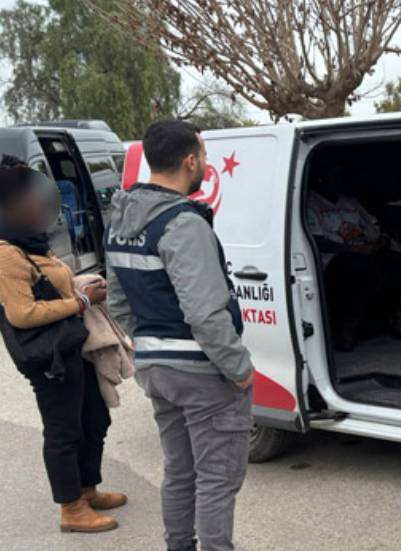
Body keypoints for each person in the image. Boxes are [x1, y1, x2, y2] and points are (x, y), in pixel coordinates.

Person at [105, 120, 253, 551]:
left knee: (180, 472)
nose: (205, 163)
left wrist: (151, 346)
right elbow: (205, 313)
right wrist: (239, 369)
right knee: (217, 479)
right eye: (203, 156)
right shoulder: (182, 223)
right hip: (202, 373)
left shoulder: (121, 219)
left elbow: (117, 302)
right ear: (190, 161)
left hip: (157, 369)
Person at [0, 155, 125, 533]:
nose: (39, 203)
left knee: (94, 418)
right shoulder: (5, 252)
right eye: (30, 197)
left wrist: (80, 286)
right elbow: (22, 313)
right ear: (11, 205)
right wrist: (81, 302)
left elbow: (52, 285)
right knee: (63, 430)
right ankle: (71, 507)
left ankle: (88, 489)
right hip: (49, 355)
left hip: (72, 343)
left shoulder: (32, 242)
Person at [307, 162, 401, 351]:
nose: (336, 180)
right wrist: (355, 250)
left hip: (365, 250)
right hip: (334, 258)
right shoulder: (313, 203)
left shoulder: (350, 202)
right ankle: (346, 330)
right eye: (331, 175)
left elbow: (372, 225)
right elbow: (319, 241)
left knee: (399, 263)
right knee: (364, 273)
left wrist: (379, 240)